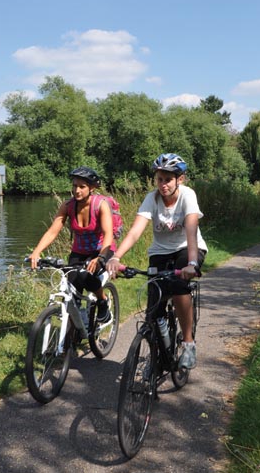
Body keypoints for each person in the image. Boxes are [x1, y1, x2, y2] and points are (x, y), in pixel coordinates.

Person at [106, 153, 207, 368]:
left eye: (168, 179)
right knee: (154, 309)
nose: (163, 185)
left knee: (179, 289)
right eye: (159, 179)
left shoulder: (187, 196)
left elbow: (191, 229)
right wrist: (116, 257)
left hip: (187, 249)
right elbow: (134, 232)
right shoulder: (151, 199)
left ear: (180, 179)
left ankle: (188, 343)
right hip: (160, 252)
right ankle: (159, 354)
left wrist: (192, 264)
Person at [29, 166, 115, 323]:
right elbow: (52, 232)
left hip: (101, 249)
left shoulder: (100, 204)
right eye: (74, 185)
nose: (77, 190)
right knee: (71, 285)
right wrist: (36, 252)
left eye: (82, 187)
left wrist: (101, 257)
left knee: (86, 276)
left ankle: (102, 301)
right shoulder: (68, 206)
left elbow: (108, 233)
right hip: (79, 251)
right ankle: (73, 334)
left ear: (92, 188)